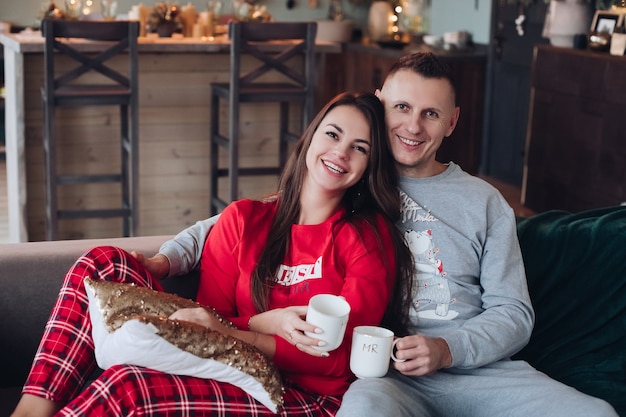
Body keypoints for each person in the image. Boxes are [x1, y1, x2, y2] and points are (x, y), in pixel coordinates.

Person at [132, 52, 619, 417]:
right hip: (382, 372)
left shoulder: (484, 201)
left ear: (452, 122)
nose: (413, 124)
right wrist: (173, 254)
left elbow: (514, 312)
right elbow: (261, 215)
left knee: (596, 414)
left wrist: (449, 349)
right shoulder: (354, 178)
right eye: (402, 107)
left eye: (431, 113)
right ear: (379, 106)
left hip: (480, 372)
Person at [10, 92, 414, 417]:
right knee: (105, 261)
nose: (340, 152)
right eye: (333, 134)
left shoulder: (367, 238)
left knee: (130, 386)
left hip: (303, 398)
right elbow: (204, 326)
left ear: (367, 165)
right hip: (230, 369)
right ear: (310, 139)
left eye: (359, 147)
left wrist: (251, 332)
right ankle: (31, 409)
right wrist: (260, 323)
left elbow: (341, 359)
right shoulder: (243, 219)